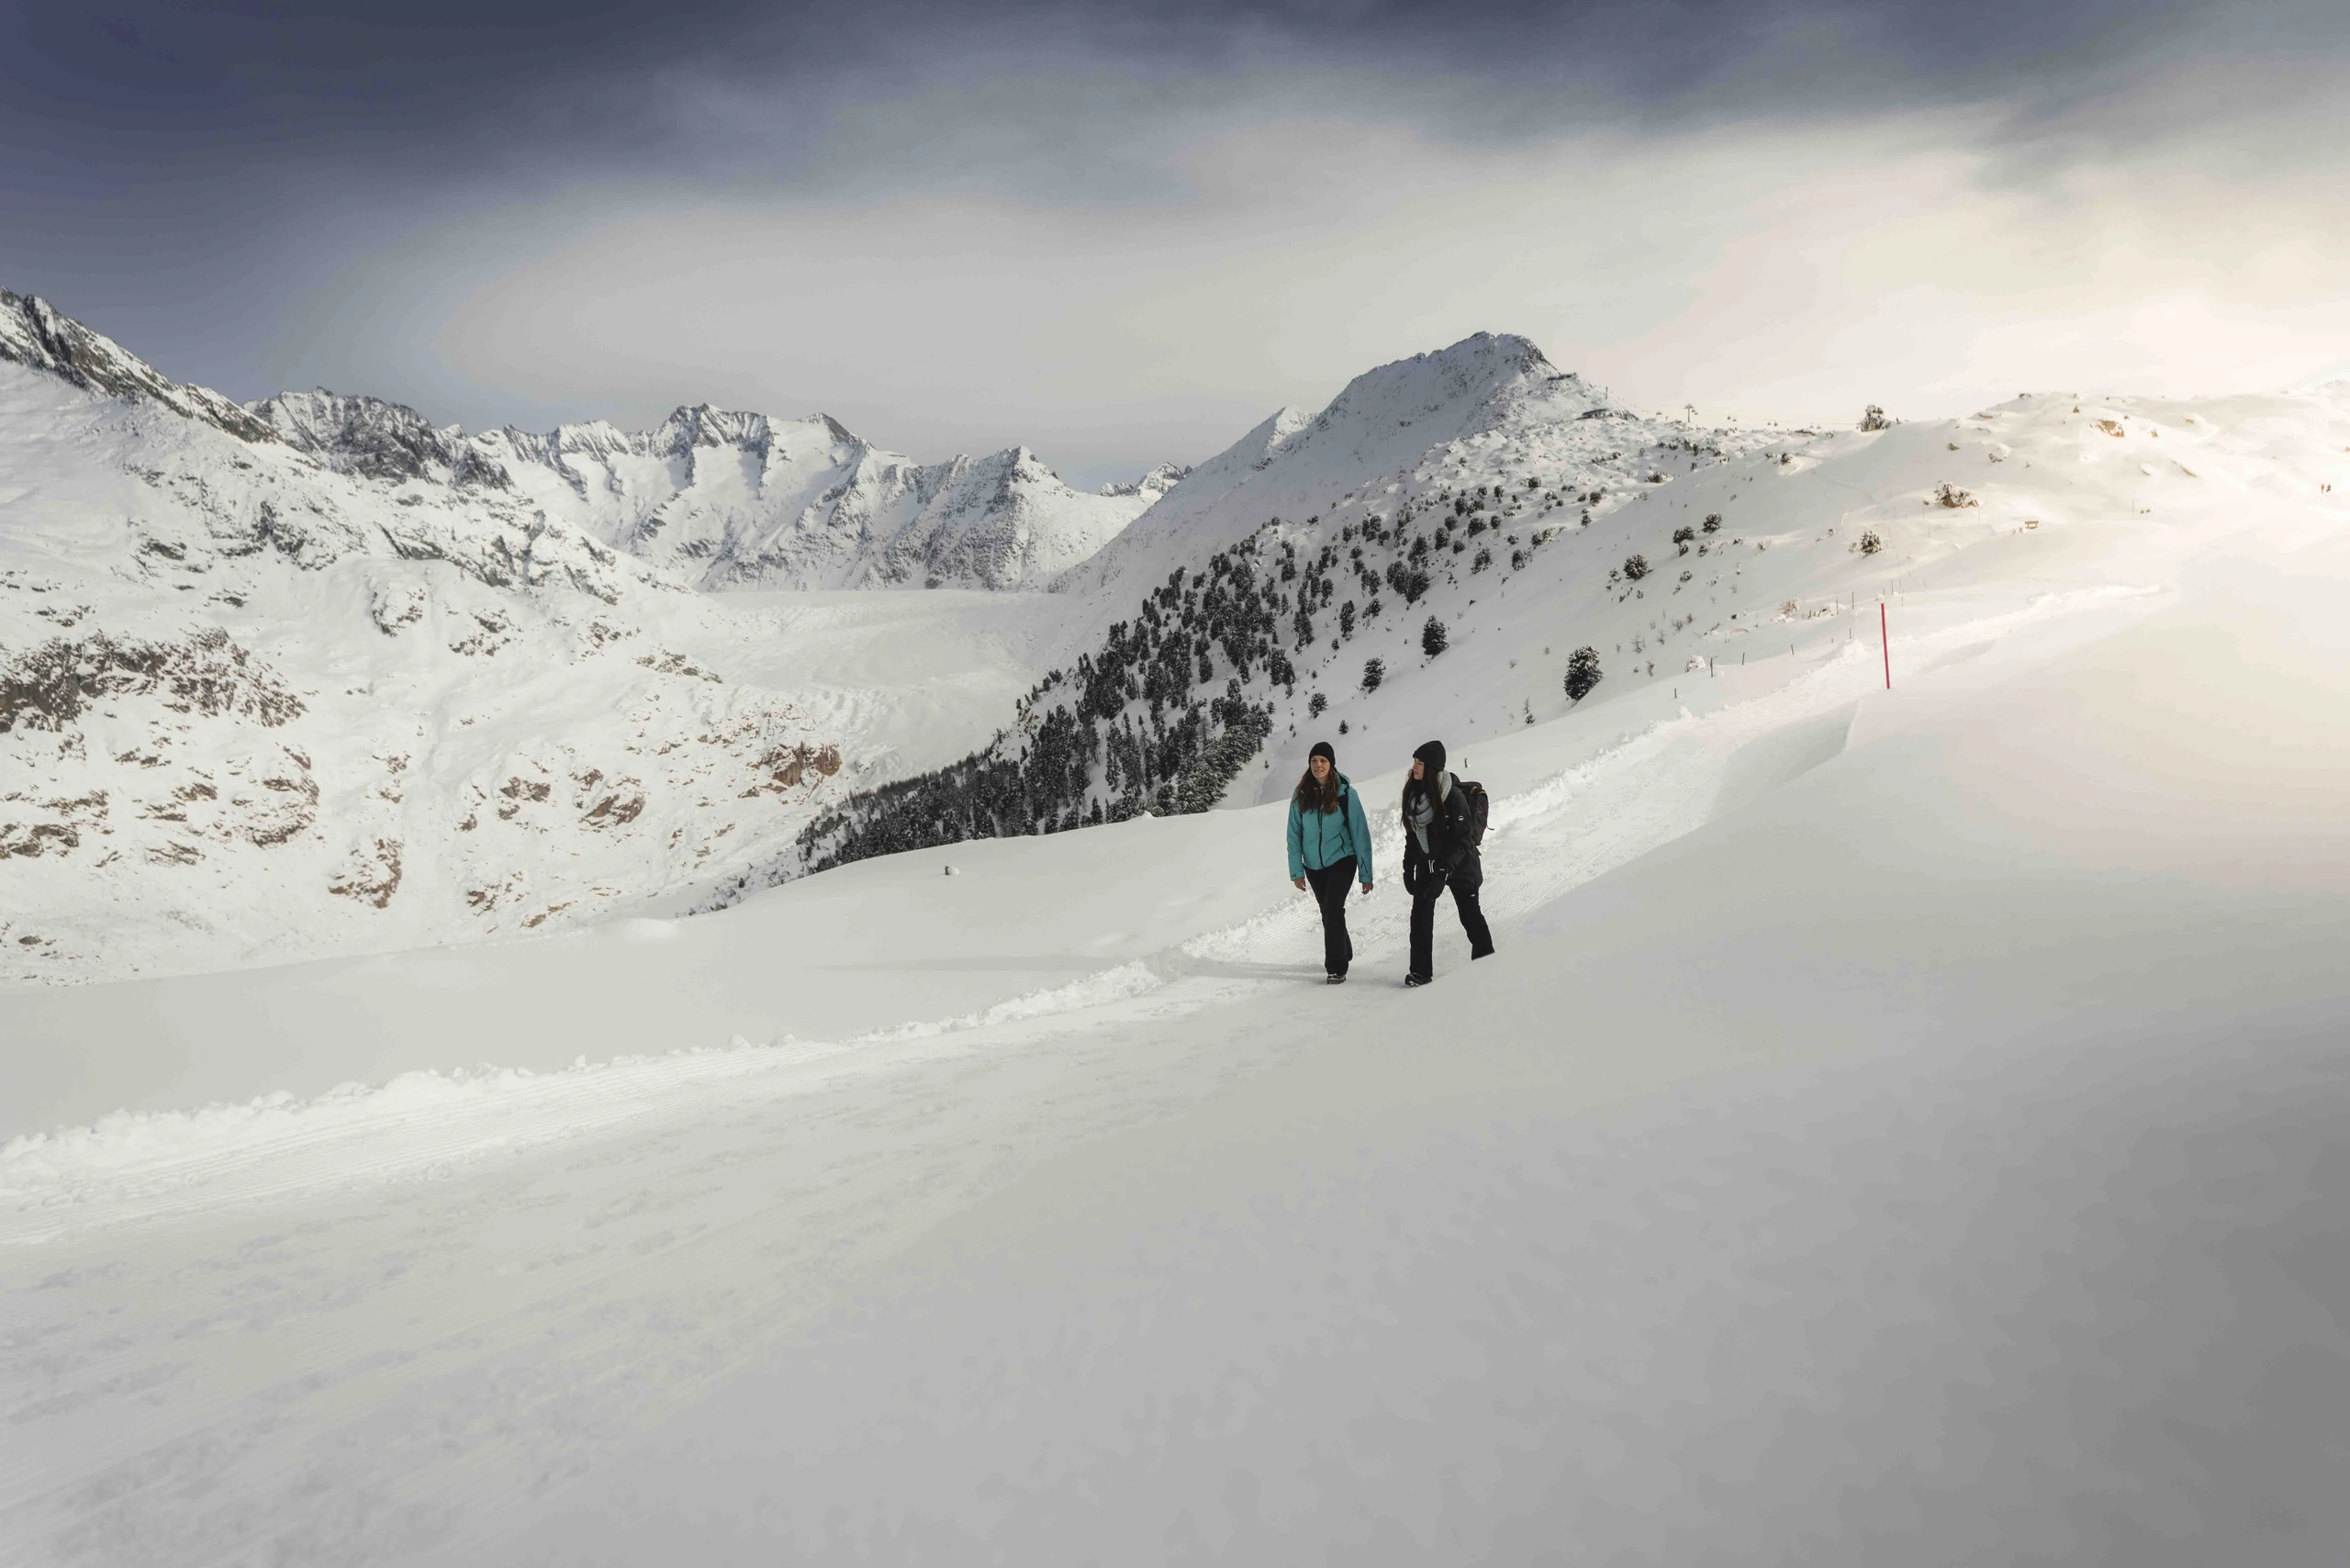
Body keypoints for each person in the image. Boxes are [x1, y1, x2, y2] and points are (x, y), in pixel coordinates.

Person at [1399, 739, 1494, 987]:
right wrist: (1408, 869)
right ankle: (1420, 973)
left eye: (1420, 763)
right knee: (1419, 919)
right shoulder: (1413, 794)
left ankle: (1487, 964)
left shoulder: (1452, 798)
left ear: (1432, 768)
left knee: (1470, 917)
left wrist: (1443, 873)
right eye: (1414, 761)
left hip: (1460, 866)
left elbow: (1462, 841)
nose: (1415, 767)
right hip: (1428, 867)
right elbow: (1412, 836)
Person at [1286, 740, 1375, 983]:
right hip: (1313, 865)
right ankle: (1343, 950)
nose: (1318, 765)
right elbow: (1294, 834)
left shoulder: (1346, 794)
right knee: (1328, 911)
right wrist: (1296, 870)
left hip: (1342, 860)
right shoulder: (1301, 794)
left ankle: (1336, 967)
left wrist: (1366, 874)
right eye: (1314, 761)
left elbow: (1360, 833)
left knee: (1334, 908)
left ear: (1331, 764)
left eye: (1323, 760)